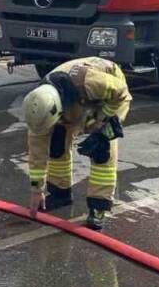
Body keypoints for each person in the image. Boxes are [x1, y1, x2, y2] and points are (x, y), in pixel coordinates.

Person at [21, 57, 131, 231]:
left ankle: (98, 206)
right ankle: (60, 192)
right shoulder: (40, 107)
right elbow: (37, 152)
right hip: (75, 102)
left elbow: (122, 94)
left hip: (108, 97)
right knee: (57, 143)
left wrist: (102, 120)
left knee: (101, 149)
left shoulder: (91, 83)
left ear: (58, 111)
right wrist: (37, 190)